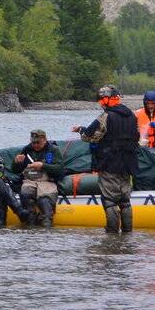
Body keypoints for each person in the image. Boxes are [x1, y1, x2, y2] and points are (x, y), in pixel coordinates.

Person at [73, 85, 139, 232]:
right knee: (125, 201)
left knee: (109, 200)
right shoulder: (132, 115)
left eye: (102, 100)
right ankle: (128, 232)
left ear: (108, 99)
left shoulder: (106, 116)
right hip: (128, 164)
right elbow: (137, 137)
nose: (101, 103)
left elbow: (88, 136)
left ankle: (112, 233)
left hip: (110, 164)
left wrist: (81, 129)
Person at [12, 129, 60, 227]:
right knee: (26, 197)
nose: (36, 145)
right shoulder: (26, 150)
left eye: (38, 142)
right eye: (33, 142)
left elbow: (60, 169)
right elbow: (15, 170)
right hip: (29, 181)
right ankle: (30, 226)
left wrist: (43, 165)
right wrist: (17, 162)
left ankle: (46, 225)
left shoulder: (53, 150)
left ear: (45, 140)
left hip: (47, 182)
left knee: (45, 201)